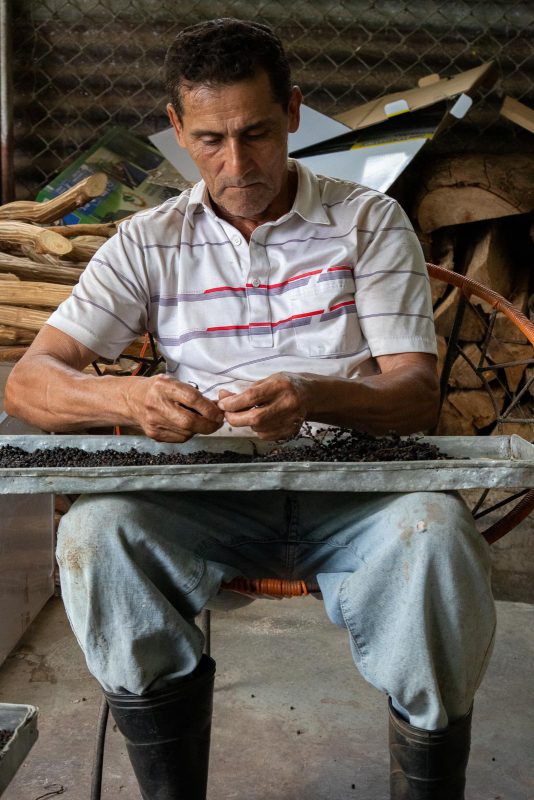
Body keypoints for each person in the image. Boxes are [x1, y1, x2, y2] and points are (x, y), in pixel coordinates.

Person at [5, 17, 495, 800]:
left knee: (437, 537)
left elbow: (414, 393)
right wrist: (131, 396)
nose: (237, 164)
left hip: (357, 496)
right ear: (175, 130)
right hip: (206, 497)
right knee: (95, 533)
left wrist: (313, 396)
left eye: (258, 133)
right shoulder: (147, 241)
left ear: (295, 111)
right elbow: (29, 384)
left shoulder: (368, 223)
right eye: (209, 139)